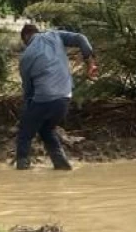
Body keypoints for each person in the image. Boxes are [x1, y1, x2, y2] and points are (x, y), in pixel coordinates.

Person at [16, 24, 98, 170]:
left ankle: (22, 167)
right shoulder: (55, 35)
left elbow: (28, 91)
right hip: (65, 98)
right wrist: (89, 62)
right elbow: (81, 38)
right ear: (37, 31)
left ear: (25, 38)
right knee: (47, 129)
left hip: (43, 99)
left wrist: (28, 110)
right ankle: (61, 164)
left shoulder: (26, 57)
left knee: (25, 133)